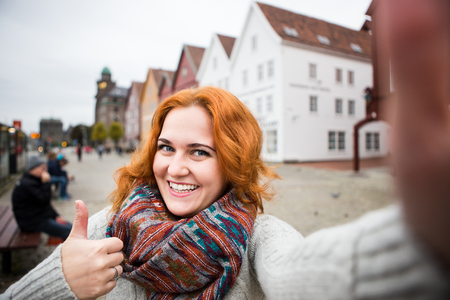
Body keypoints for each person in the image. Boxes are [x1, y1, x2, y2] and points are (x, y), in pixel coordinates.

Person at [2, 1, 450, 299]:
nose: (175, 168)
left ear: (233, 161)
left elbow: (306, 276)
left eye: (200, 152)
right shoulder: (112, 224)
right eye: (166, 147)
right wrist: (62, 279)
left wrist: (423, 241)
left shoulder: (256, 236)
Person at [11, 156, 73, 241]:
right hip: (30, 222)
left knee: (71, 226)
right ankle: (71, 252)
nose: (45, 171)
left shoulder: (34, 180)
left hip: (39, 217)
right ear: (32, 169)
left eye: (45, 168)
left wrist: (56, 216)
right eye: (42, 168)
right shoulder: (27, 184)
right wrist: (46, 182)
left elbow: (45, 204)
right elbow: (44, 200)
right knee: (68, 231)